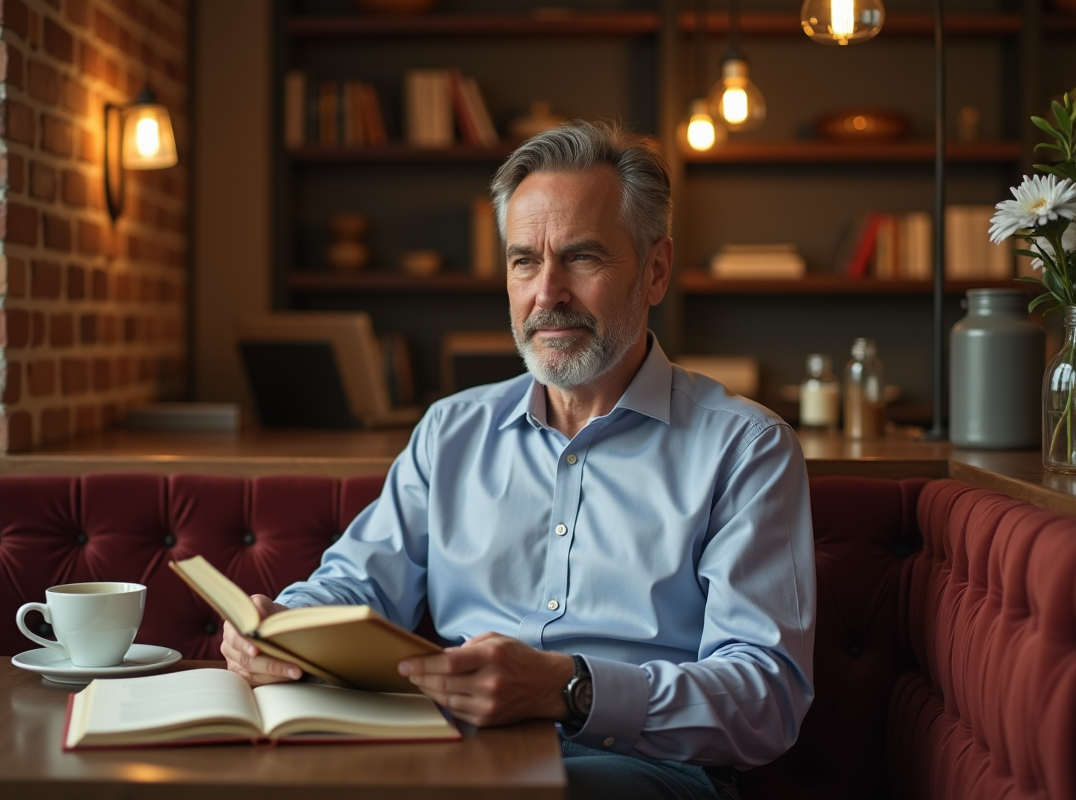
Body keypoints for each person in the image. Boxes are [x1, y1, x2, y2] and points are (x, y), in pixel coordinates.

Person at [223, 121, 815, 800]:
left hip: (644, 771)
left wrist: (570, 688)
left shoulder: (746, 449)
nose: (547, 293)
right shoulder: (451, 431)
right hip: (447, 753)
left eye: (582, 257)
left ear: (655, 270)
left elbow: (765, 699)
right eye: (524, 261)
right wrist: (279, 629)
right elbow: (356, 583)